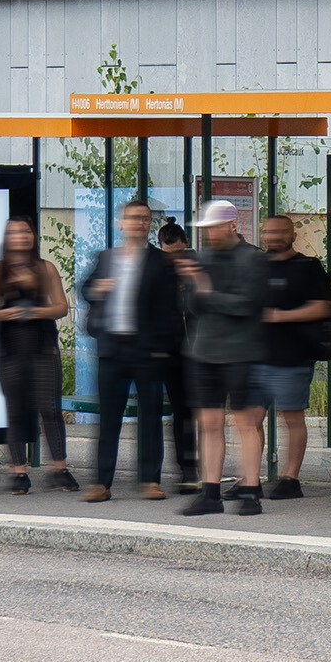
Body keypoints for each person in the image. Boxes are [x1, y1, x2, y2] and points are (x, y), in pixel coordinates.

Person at [79, 199, 181, 503]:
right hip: (112, 349)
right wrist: (99, 289)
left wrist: (163, 347)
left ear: (149, 225)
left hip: (147, 350)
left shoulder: (161, 262)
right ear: (121, 223)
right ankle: (101, 482)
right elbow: (86, 290)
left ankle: (150, 480)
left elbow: (169, 309)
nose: (139, 222)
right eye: (134, 218)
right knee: (109, 418)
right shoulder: (106, 258)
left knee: (150, 417)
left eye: (145, 218)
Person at [177, 198, 271, 516]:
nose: (209, 234)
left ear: (233, 225)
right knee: (209, 423)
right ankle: (210, 493)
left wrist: (205, 290)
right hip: (203, 351)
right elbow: (192, 306)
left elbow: (246, 305)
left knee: (245, 422)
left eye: (214, 227)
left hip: (242, 352)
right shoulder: (202, 257)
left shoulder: (253, 259)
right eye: (205, 228)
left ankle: (249, 492)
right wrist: (197, 290)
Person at [0, 215, 75, 495]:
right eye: (14, 232)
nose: (20, 237)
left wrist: (35, 311)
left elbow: (61, 308)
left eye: (25, 232)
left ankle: (60, 468)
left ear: (33, 236)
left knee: (50, 409)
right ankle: (18, 472)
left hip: (43, 348)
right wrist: (6, 313)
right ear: (6, 238)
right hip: (10, 350)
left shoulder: (45, 268)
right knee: (16, 411)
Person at [254, 214, 331, 500]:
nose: (272, 237)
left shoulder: (308, 267)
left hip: (293, 355)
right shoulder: (256, 266)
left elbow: (324, 308)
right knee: (251, 417)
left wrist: (281, 316)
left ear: (292, 235)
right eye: (268, 232)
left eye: (279, 232)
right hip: (256, 355)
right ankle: (250, 479)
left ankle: (291, 479)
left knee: (291, 416)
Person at [154, 219, 201, 491]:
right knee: (182, 411)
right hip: (172, 351)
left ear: (186, 243)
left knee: (202, 412)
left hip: (198, 348)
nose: (175, 261)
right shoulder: (158, 269)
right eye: (168, 255)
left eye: (179, 253)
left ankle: (202, 467)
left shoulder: (198, 266)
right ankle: (188, 468)